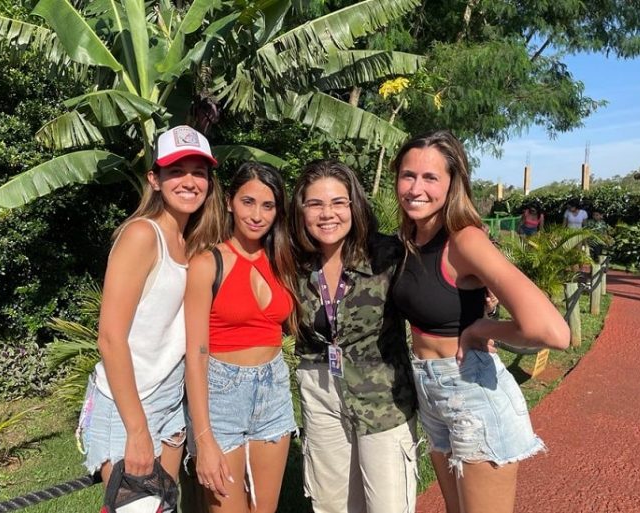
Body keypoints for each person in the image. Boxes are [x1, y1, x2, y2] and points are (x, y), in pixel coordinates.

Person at [391, 130, 570, 513]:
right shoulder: (410, 240)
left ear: (452, 184)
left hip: (473, 392)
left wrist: (482, 329)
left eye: (430, 177)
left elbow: (552, 330)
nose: (416, 188)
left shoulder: (465, 240)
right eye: (408, 175)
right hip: (430, 390)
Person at [76, 126, 224, 494]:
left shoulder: (189, 240)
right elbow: (110, 338)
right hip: (129, 403)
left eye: (199, 172)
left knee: (162, 506)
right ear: (154, 180)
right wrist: (137, 429)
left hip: (168, 398)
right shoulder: (142, 235)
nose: (189, 182)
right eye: (176, 171)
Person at [288, 160, 418, 513]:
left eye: (338, 202)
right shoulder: (293, 262)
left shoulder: (388, 254)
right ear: (301, 210)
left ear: (354, 205)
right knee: (332, 505)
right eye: (315, 204)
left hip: (383, 400)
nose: (327, 214)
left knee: (388, 506)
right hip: (321, 396)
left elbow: (435, 297)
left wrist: (482, 309)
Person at [184, 162, 298, 513]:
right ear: (229, 202)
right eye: (248, 202)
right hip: (221, 396)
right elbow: (195, 355)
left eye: (268, 206)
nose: (257, 215)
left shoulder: (283, 261)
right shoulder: (207, 263)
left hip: (274, 391)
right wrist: (203, 438)